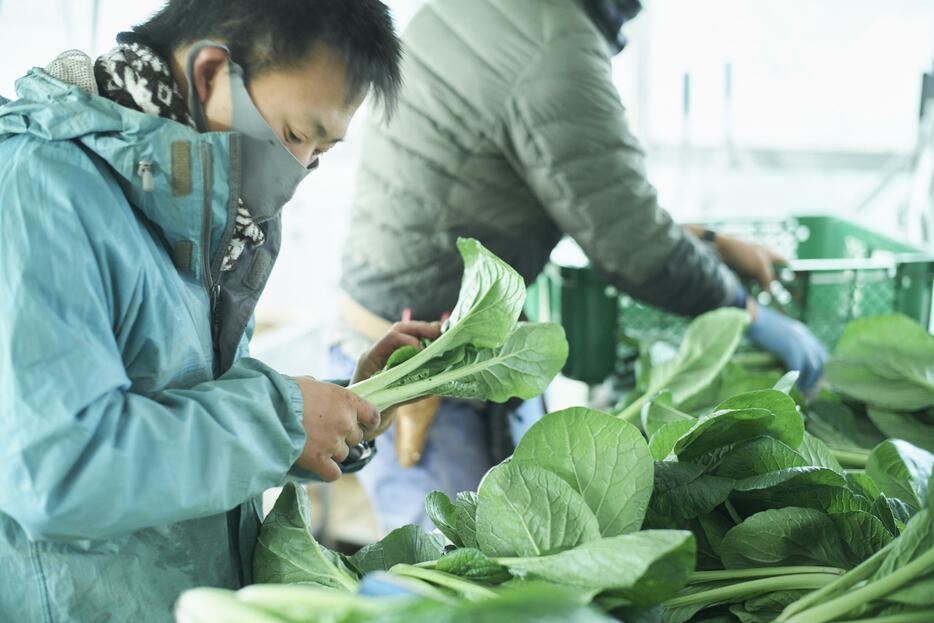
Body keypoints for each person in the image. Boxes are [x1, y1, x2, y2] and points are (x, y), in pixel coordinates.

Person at [0, 1, 438, 621]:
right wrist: (280, 419)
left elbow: (187, 409)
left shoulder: (207, 211)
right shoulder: (38, 189)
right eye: (292, 134)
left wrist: (349, 404)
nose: (299, 171)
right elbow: (58, 472)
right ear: (210, 75)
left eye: (321, 151)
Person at [334, 0, 828, 533]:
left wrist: (713, 241)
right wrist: (744, 309)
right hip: (425, 365)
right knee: (469, 585)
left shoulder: (481, 11)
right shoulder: (554, 46)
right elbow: (633, 244)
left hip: (386, 322)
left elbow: (583, 190)